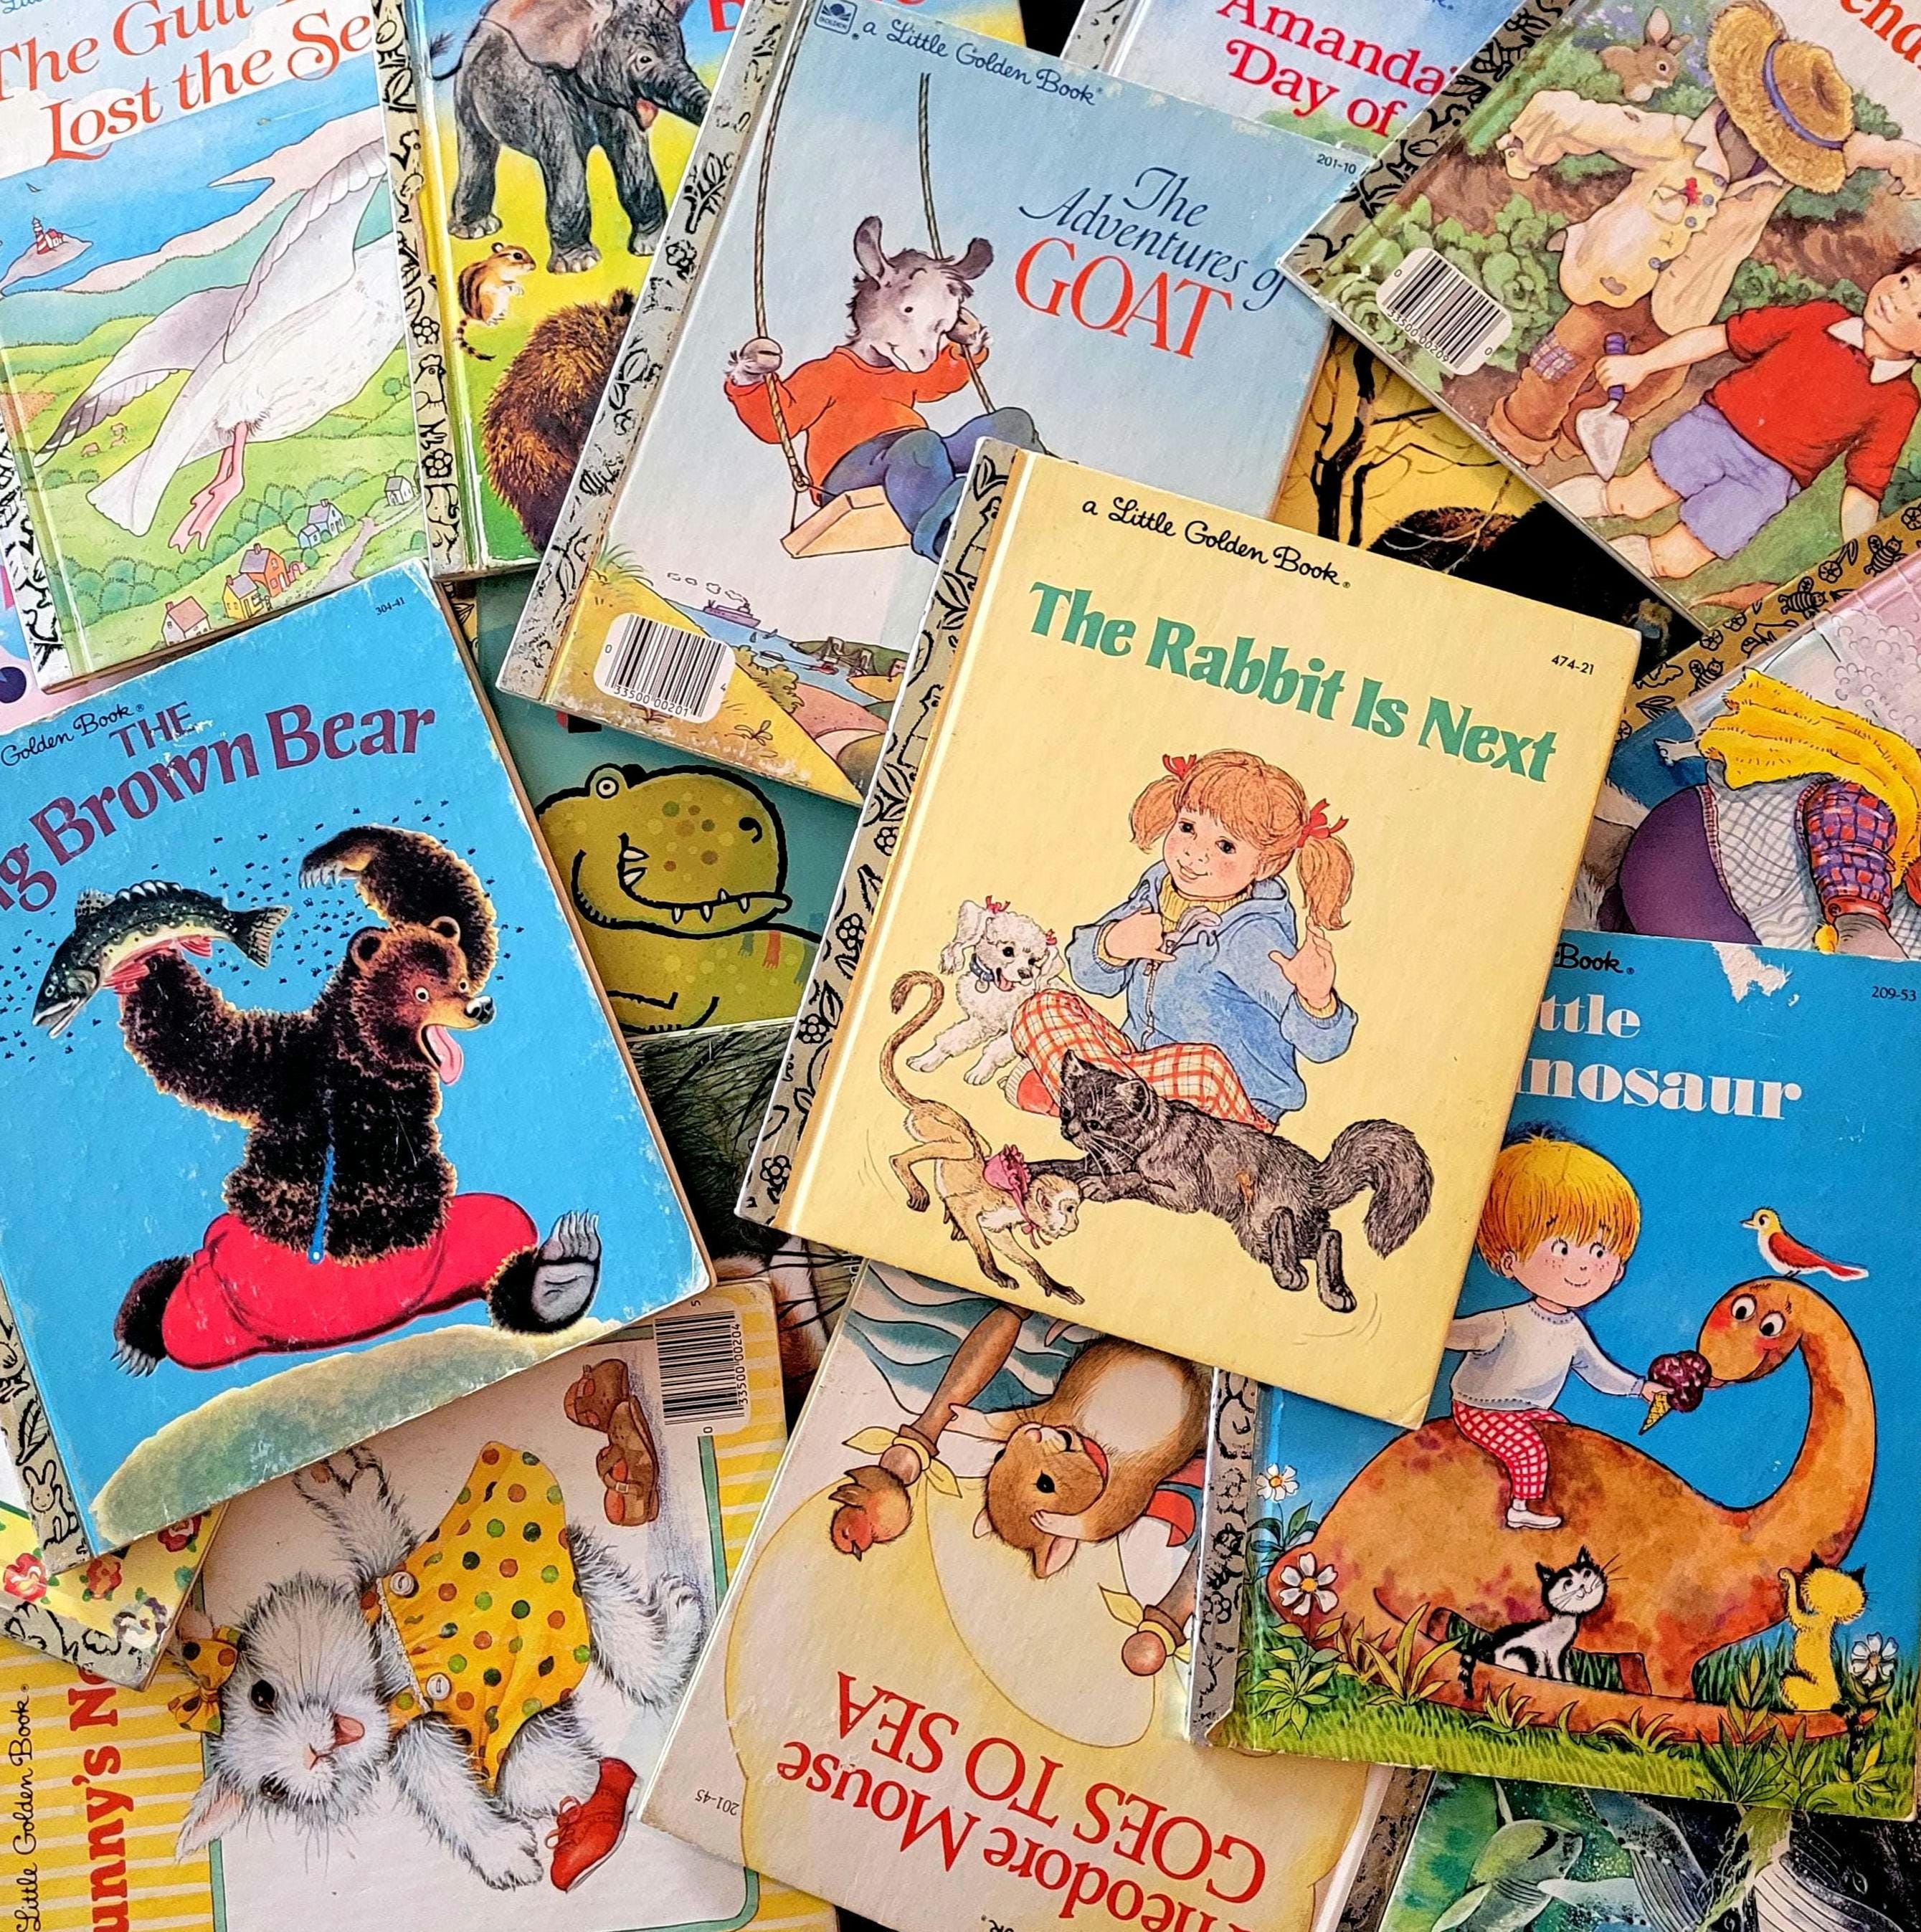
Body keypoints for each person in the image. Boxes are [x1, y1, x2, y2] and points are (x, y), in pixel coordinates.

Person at [1486, 0, 1921, 480]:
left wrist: (1894, 153)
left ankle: (1574, 438)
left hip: (1682, 308)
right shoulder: (1675, 139)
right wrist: (1526, 150)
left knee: (1655, 384)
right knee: (1562, 360)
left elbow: (1848, 150)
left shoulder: (1774, 182)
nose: (1767, 149)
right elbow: (1589, 121)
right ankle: (1516, 439)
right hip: (1612, 278)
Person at [1008, 749, 1355, 1128]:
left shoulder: (1252, 936)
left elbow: (1322, 1047)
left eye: (1226, 846)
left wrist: (1316, 1000)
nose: (1194, 853)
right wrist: (1113, 945)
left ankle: (1079, 1102)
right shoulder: (1157, 888)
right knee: (1042, 1006)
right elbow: (1089, 975)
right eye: (1188, 827)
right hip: (1144, 1077)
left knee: (1202, 1066)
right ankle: (1112, 1112)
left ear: (1265, 865)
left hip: (1229, 1106)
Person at [1555, 261, 1921, 579]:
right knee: (1629, 500)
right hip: (1716, 429)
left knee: (1674, 561)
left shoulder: (1900, 401)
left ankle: (1576, 583)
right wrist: (1642, 364)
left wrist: (1862, 554)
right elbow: (1723, 337)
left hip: (1769, 481)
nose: (1897, 297)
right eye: (1905, 280)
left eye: (1919, 311)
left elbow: (1867, 481)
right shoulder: (1820, 318)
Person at [1448, 1133, 1659, 1531]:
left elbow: (1597, 1370)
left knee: (1560, 1434)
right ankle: (1520, 1508)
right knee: (1528, 1448)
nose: (1583, 1265)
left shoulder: (1572, 1330)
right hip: (1482, 1408)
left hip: (1524, 1409)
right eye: (1562, 1248)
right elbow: (1452, 1335)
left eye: (1600, 1251)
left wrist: (1640, 1388)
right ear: (1509, 1259)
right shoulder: (1506, 1321)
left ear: (1618, 1269)